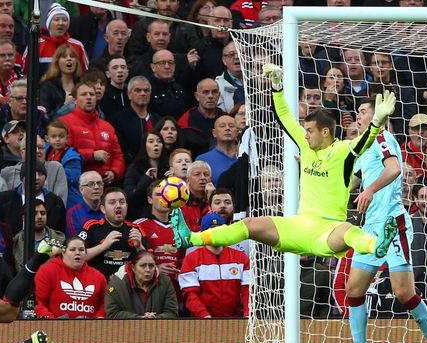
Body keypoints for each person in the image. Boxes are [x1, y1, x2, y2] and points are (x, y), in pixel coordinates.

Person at [170, 64, 399, 271]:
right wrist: (277, 88)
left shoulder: (344, 151)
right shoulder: (305, 145)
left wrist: (377, 121)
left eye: (310, 130)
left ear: (325, 132)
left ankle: (375, 245)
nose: (305, 134)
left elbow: (365, 140)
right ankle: (191, 238)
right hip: (297, 226)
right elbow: (284, 117)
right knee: (248, 224)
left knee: (349, 231)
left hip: (328, 230)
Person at [341, 98, 427, 343]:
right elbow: (350, 181)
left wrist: (370, 189)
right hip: (371, 228)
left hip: (392, 223)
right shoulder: (362, 147)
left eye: (364, 111)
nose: (359, 116)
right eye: (359, 112)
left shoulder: (382, 137)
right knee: (353, 289)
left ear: (379, 115)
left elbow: (394, 169)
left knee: (403, 293)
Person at [179, 212, 250, 318]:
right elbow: (190, 294)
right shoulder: (191, 259)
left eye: (219, 229)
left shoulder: (241, 258)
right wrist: (205, 316)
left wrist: (247, 315)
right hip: (202, 322)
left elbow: (248, 290)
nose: (215, 233)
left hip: (235, 320)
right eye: (211, 229)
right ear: (203, 233)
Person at [78, 187, 147, 279]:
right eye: (112, 202)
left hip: (128, 286)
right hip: (97, 283)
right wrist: (103, 246)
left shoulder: (135, 229)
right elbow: (78, 256)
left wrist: (139, 247)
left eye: (122, 202)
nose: (118, 205)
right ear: (103, 209)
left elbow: (149, 263)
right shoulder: (92, 227)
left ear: (126, 206)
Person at [34, 236, 107, 318]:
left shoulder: (98, 276)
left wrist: (97, 322)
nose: (77, 253)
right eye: (72, 250)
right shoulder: (46, 271)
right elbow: (39, 303)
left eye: (81, 250)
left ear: (86, 253)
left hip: (90, 328)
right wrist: (53, 324)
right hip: (55, 327)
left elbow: (105, 305)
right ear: (63, 252)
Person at [105, 250, 179, 319]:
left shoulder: (165, 282)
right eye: (143, 265)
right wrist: (139, 318)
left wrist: (156, 318)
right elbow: (112, 314)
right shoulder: (117, 284)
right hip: (127, 329)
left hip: (157, 328)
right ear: (133, 268)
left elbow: (172, 313)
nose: (147, 270)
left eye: (151, 266)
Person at [44, 120, 83, 208]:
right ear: (47, 138)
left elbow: (72, 179)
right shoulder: (45, 152)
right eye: (54, 136)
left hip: (70, 198)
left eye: (61, 136)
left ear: (67, 138)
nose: (57, 139)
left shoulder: (73, 157)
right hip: (50, 194)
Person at [65, 171, 104, 237]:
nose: (96, 187)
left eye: (99, 183)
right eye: (91, 184)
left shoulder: (109, 210)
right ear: (81, 189)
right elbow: (74, 242)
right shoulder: (73, 214)